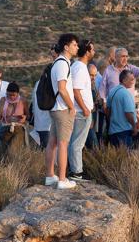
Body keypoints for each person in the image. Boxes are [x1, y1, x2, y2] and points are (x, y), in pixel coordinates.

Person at [44, 33, 79, 190]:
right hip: (62, 109)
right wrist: (72, 107)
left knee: (53, 143)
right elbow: (62, 89)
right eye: (74, 44)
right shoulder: (63, 64)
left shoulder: (59, 63)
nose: (77, 47)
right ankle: (63, 179)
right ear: (66, 46)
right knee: (63, 144)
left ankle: (50, 176)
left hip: (55, 109)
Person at [67, 39, 95, 180]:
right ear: (87, 52)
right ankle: (76, 172)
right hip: (80, 111)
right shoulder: (79, 67)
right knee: (77, 143)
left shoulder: (78, 66)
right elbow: (76, 90)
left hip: (80, 110)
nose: (94, 52)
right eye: (93, 49)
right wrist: (84, 108)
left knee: (75, 142)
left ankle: (73, 170)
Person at [31, 46, 57, 149]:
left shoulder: (38, 83)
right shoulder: (49, 84)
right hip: (48, 124)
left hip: (39, 124)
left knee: (44, 151)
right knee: (51, 151)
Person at [106, 70, 137, 147]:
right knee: (125, 157)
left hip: (113, 131)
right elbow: (128, 113)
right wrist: (134, 127)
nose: (133, 81)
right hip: (124, 131)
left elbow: (108, 111)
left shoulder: (112, 91)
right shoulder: (126, 94)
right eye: (131, 79)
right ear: (123, 80)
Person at [0, 82, 28, 156]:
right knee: (2, 151)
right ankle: (2, 166)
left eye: (14, 95)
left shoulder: (23, 101)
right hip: (5, 128)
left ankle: (13, 166)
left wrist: (24, 117)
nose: (11, 97)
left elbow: (28, 115)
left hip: (18, 128)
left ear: (18, 93)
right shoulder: (3, 100)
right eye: (9, 95)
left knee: (13, 150)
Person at [85, 63, 103, 149]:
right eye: (91, 75)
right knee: (94, 146)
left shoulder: (92, 85)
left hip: (92, 122)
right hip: (87, 122)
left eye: (95, 75)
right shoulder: (82, 86)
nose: (94, 78)